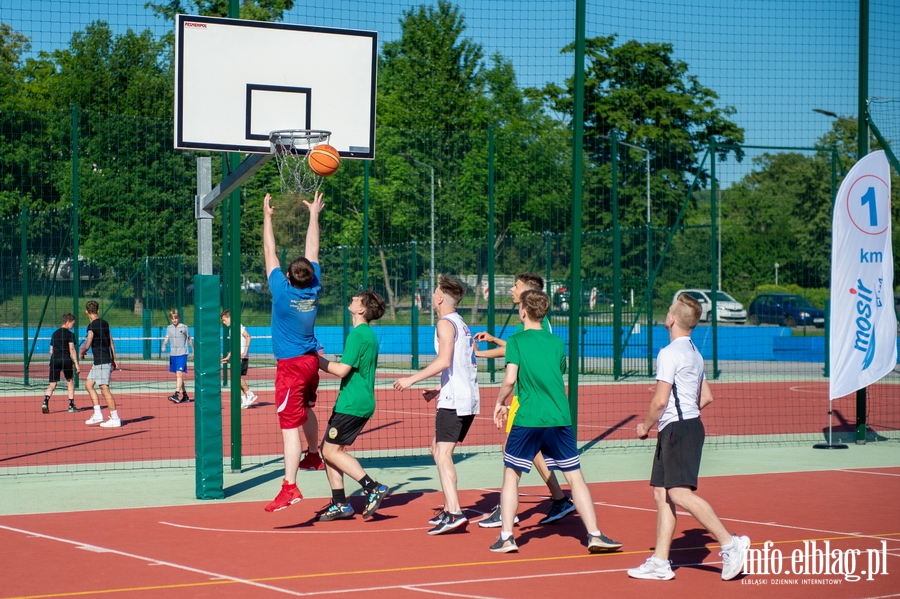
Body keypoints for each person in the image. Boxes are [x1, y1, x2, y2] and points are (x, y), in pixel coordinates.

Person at [488, 289, 621, 554]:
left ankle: (506, 537)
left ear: (523, 311)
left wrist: (500, 403)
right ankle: (594, 534)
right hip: (559, 417)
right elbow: (555, 375)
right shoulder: (557, 342)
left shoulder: (516, 341)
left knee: (511, 477)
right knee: (575, 478)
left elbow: (511, 379)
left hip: (529, 418)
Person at [627, 293, 749, 581]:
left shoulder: (669, 353)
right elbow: (705, 396)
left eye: (668, 311)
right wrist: (678, 413)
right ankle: (659, 562)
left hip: (678, 430)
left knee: (678, 493)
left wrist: (645, 426)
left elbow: (659, 401)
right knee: (661, 493)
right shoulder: (694, 352)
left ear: (672, 319)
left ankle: (730, 543)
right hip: (684, 426)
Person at [472, 273, 574, 528]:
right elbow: (515, 346)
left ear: (528, 292)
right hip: (532, 397)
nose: (511, 290)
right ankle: (559, 499)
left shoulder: (536, 324)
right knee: (528, 450)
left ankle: (509, 511)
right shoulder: (534, 324)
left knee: (511, 450)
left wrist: (478, 354)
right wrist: (494, 341)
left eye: (515, 286)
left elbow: (515, 350)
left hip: (529, 397)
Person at [393, 275, 480, 535]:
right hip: (465, 396)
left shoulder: (444, 323)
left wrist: (412, 379)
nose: (431, 297)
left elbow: (444, 361)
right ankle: (449, 508)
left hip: (455, 401)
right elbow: (459, 367)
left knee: (442, 454)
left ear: (441, 297)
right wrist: (439, 388)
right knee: (436, 448)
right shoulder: (461, 324)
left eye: (434, 293)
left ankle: (455, 512)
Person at [263, 190, 325, 513]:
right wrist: (314, 213)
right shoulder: (314, 288)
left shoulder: (281, 291)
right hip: (312, 362)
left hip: (290, 367)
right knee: (307, 410)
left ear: (287, 277)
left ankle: (290, 487)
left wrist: (267, 218)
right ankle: (314, 454)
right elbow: (311, 247)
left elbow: (269, 250)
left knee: (288, 427)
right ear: (310, 276)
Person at [316, 291, 389, 521]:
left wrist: (314, 358)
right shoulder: (366, 335)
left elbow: (341, 370)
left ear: (362, 310)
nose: (353, 299)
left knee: (330, 450)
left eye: (357, 299)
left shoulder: (358, 336)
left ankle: (371, 486)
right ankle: (340, 503)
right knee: (328, 451)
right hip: (352, 401)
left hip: (353, 403)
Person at [80, 300, 121, 428]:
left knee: (104, 388)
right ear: (97, 311)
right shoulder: (105, 323)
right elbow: (111, 341)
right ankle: (98, 414)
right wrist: (114, 358)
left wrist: (83, 351)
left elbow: (88, 342)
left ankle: (115, 418)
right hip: (100, 361)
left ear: (86, 312)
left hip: (103, 361)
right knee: (89, 385)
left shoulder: (91, 326)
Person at [42, 313, 81, 414]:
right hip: (66, 360)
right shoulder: (70, 334)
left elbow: (51, 350)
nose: (73, 326)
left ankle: (45, 402)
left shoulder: (54, 333)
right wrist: (76, 364)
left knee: (52, 384)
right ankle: (71, 405)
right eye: (73, 323)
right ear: (68, 322)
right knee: (69, 382)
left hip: (54, 360)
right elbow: (72, 349)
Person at [221, 310, 257, 409]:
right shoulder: (231, 330)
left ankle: (250, 394)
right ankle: (244, 400)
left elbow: (248, 336)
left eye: (224, 320)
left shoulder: (238, 327)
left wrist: (245, 351)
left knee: (236, 378)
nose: (224, 323)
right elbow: (234, 345)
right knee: (234, 379)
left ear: (229, 318)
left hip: (241, 357)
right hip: (236, 357)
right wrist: (228, 357)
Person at [161, 309, 194, 403]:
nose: (174, 320)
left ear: (179, 317)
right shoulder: (169, 328)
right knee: (178, 376)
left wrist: (193, 350)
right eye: (172, 318)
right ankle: (185, 396)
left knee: (179, 374)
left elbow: (189, 339)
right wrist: (164, 344)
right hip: (173, 354)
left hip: (182, 353)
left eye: (175, 318)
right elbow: (167, 337)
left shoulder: (184, 327)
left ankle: (176, 394)